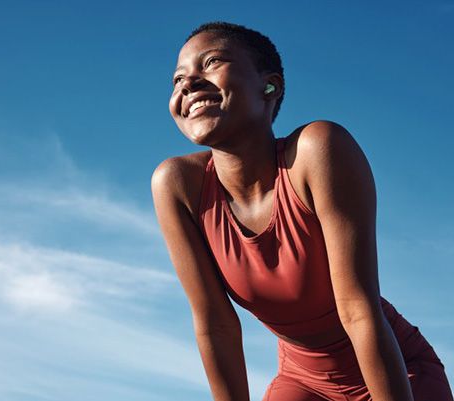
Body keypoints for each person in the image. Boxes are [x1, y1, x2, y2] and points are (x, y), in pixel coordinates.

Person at [151, 21, 453, 401]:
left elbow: (358, 309)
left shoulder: (317, 151)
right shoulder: (177, 184)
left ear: (270, 86)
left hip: (395, 373)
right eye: (178, 79)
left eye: (211, 62)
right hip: (303, 382)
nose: (188, 83)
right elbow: (216, 324)